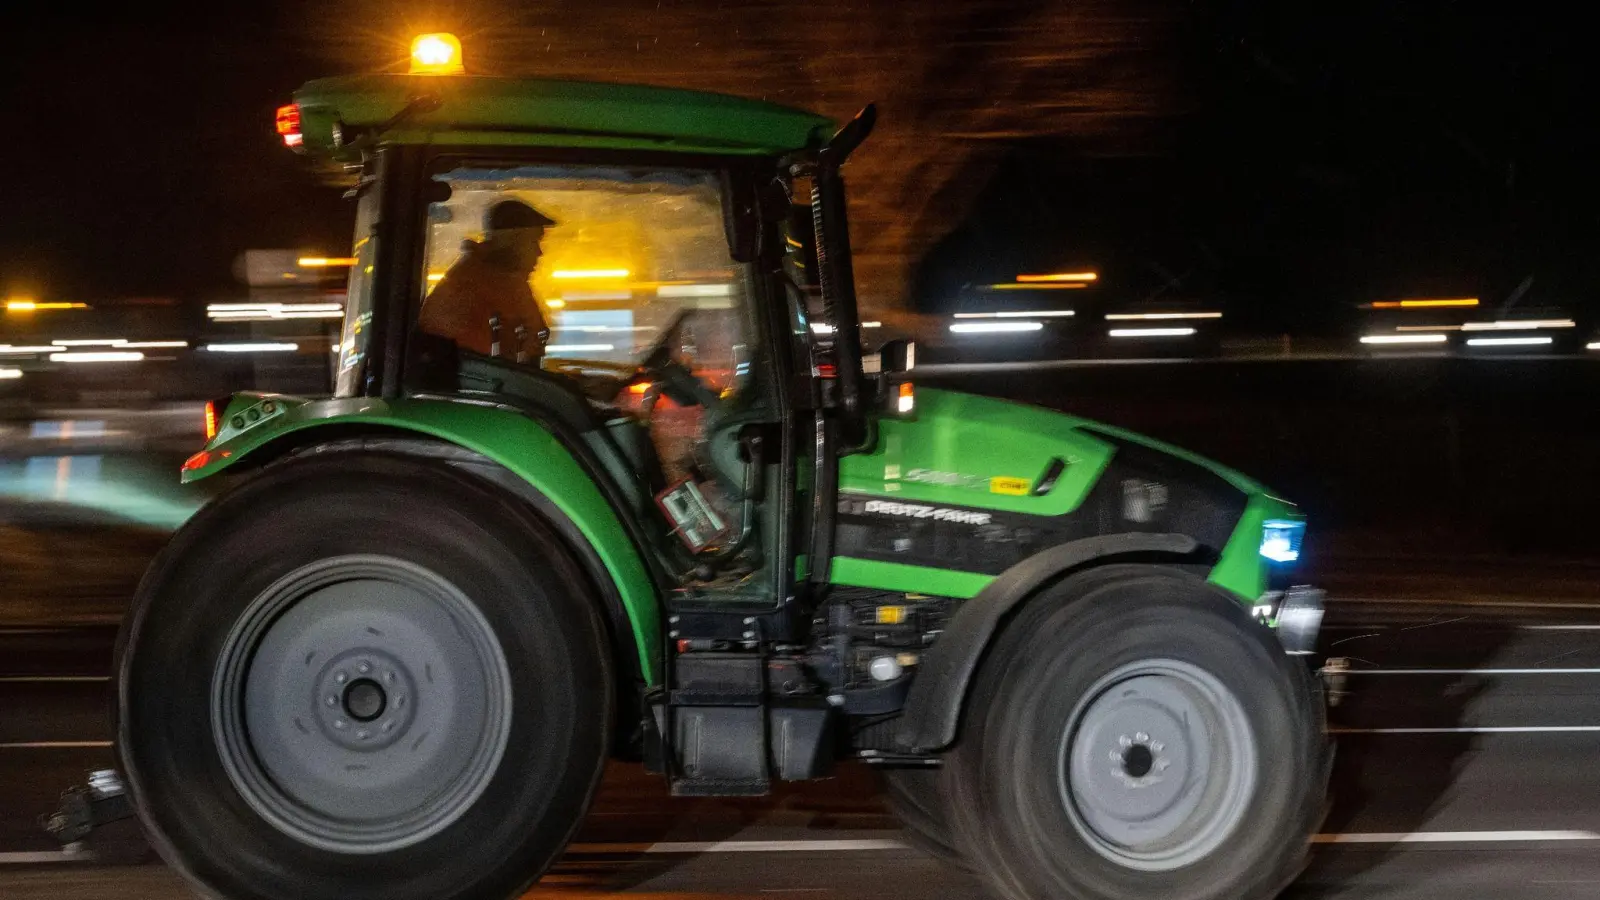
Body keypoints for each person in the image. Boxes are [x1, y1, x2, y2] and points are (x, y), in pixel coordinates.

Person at [419, 199, 556, 361]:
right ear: (513, 242)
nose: (539, 252)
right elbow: (483, 367)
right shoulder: (474, 288)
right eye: (533, 242)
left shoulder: (503, 283)